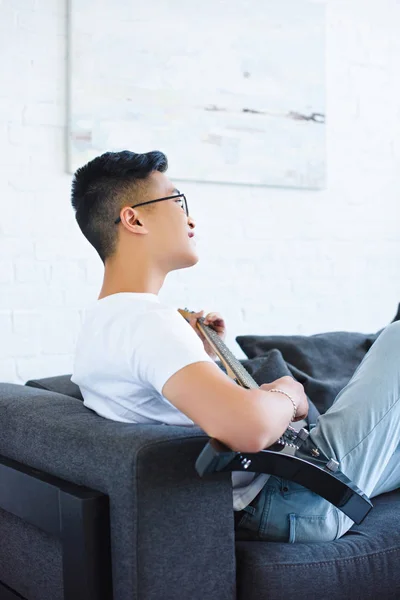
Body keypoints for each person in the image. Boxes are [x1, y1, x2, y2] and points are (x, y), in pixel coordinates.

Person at [70, 149, 400, 543]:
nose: (190, 218)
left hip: (277, 495)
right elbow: (250, 428)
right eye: (177, 202)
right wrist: (288, 393)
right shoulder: (146, 321)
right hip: (298, 498)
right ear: (134, 218)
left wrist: (206, 358)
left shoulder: (104, 323)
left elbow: (174, 411)